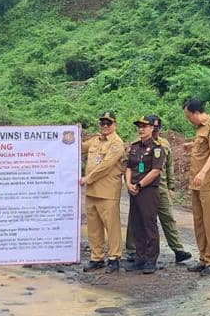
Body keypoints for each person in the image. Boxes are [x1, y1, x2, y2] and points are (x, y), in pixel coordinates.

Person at [123, 115, 192, 266]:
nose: (154, 131)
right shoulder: (137, 145)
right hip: (143, 187)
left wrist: (171, 186)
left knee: (166, 218)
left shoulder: (163, 145)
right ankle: (132, 250)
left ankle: (178, 249)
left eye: (157, 128)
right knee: (136, 219)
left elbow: (168, 167)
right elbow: (130, 166)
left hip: (159, 187)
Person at [79, 111, 126, 273]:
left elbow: (106, 166)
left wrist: (88, 178)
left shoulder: (116, 143)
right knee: (93, 227)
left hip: (107, 192)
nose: (105, 126)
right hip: (92, 192)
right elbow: (77, 147)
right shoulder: (94, 140)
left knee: (111, 226)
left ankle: (114, 258)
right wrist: (72, 133)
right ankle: (96, 257)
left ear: (115, 125)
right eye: (102, 123)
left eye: (108, 123)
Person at [182, 98, 210, 276]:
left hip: (209, 184)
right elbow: (204, 146)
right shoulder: (201, 129)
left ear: (196, 113)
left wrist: (203, 172)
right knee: (199, 222)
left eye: (189, 116)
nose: (188, 119)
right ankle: (203, 259)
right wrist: (192, 145)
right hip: (197, 185)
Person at [123, 116, 167, 274]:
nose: (141, 129)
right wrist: (128, 184)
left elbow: (155, 171)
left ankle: (150, 259)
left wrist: (140, 184)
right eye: (139, 126)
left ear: (151, 129)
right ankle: (139, 258)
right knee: (137, 224)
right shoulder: (134, 147)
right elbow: (129, 167)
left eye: (144, 126)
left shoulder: (157, 148)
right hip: (133, 189)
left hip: (147, 191)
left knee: (149, 225)